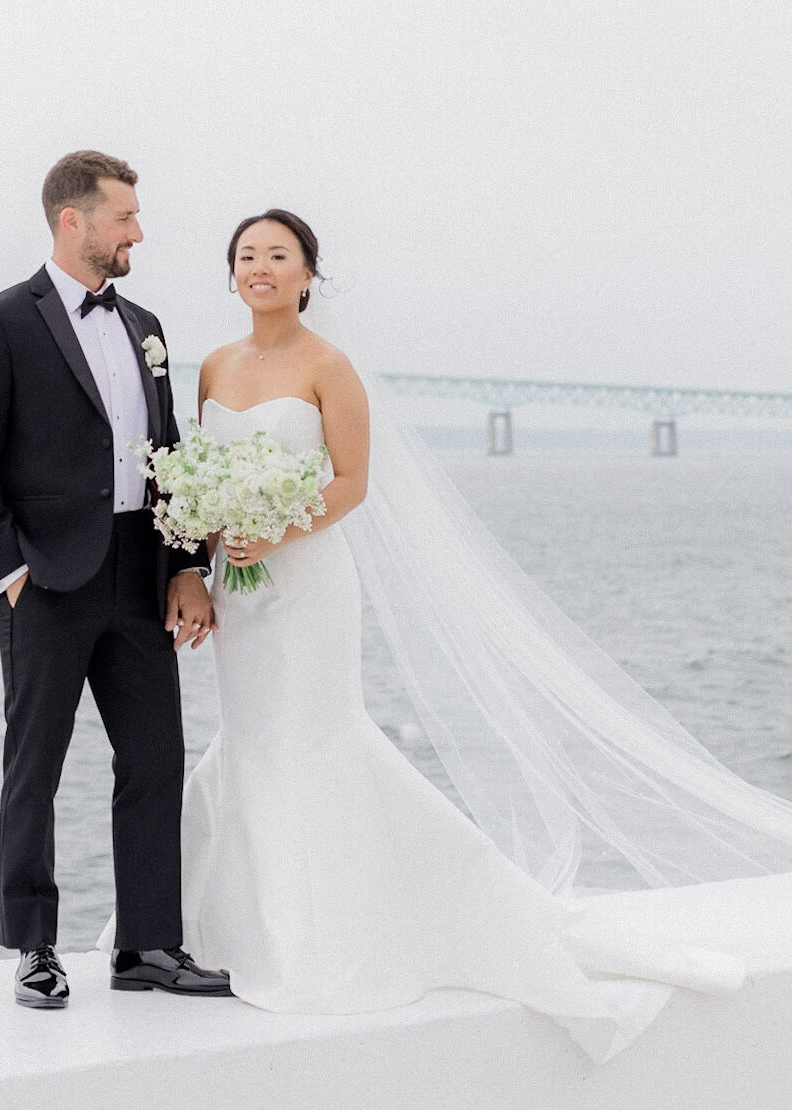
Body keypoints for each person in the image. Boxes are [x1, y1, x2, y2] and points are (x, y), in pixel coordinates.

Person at [96, 209, 745, 1061]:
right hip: (241, 593)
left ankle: (331, 940)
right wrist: (206, 552)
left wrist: (274, 529)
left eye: (278, 257)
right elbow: (193, 482)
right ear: (232, 274)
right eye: (247, 256)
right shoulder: (214, 364)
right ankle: (240, 936)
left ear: (306, 276)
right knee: (254, 743)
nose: (261, 268)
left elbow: (354, 483)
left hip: (308, 585)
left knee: (316, 742)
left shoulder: (330, 367)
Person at [0, 150, 231, 1008]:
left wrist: (186, 565)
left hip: (140, 575)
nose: (137, 231)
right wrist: (12, 571)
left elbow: (169, 453)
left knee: (155, 759)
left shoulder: (145, 321)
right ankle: (34, 947)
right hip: (48, 583)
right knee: (36, 764)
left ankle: (147, 944)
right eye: (124, 217)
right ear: (73, 221)